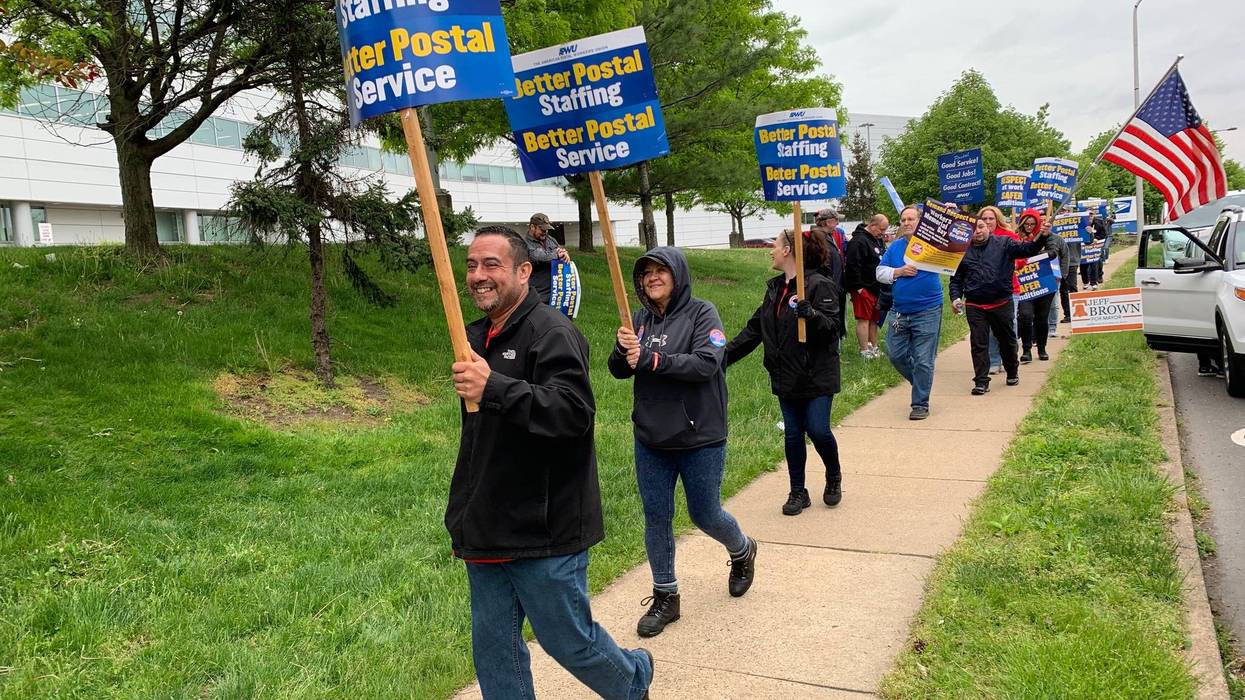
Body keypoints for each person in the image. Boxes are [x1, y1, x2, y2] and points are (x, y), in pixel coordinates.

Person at [447, 226, 653, 699]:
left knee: (568, 641)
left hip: (544, 525)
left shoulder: (553, 332)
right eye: (472, 265)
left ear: (524, 271)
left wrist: (493, 387)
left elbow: (573, 414)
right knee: (495, 650)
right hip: (486, 522)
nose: (478, 275)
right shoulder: (477, 338)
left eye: (491, 264)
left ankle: (633, 681)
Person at [609, 247, 758, 639]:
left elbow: (707, 363)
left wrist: (651, 359)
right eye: (646, 273)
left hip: (699, 435)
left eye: (661, 271)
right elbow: (619, 370)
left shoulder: (702, 313)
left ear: (677, 274)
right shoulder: (637, 319)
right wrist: (622, 348)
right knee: (656, 516)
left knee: (704, 514)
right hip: (651, 436)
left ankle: (742, 550)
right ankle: (665, 596)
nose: (652, 278)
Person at [726, 228, 843, 514]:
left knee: (817, 429)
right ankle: (797, 491)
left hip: (816, 374)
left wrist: (812, 316)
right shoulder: (775, 289)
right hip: (785, 374)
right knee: (793, 434)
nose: (771, 251)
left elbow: (832, 330)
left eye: (776, 246)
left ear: (789, 250)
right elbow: (755, 329)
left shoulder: (819, 285)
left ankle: (833, 475)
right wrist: (720, 358)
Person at [950, 217, 1051, 395]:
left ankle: (1012, 370)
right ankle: (981, 381)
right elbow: (956, 279)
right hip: (975, 303)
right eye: (973, 229)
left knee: (1007, 340)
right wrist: (955, 298)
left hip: (1001, 302)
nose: (978, 231)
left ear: (989, 227)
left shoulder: (1004, 243)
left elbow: (1028, 249)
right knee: (979, 343)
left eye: (981, 227)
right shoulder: (962, 250)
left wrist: (1042, 236)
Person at [876, 205, 945, 420]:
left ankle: (920, 404)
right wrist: (899, 271)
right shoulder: (895, 248)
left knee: (924, 359)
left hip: (928, 309)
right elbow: (880, 272)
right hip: (899, 311)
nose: (906, 223)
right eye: (903, 219)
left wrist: (950, 213)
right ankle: (921, 381)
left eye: (911, 219)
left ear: (921, 222)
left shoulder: (933, 244)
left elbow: (956, 245)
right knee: (895, 355)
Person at [1014, 209, 1066, 363]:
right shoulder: (1016, 238)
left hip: (1044, 280)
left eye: (1032, 224)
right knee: (1025, 316)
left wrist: (1034, 252)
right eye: (1026, 224)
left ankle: (1042, 348)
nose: (1029, 227)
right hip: (1024, 282)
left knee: (1042, 318)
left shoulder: (1047, 236)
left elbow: (1053, 253)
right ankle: (1027, 350)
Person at [978, 206, 1020, 375]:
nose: (988, 222)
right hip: (985, 292)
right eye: (985, 219)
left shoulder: (1009, 237)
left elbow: (1022, 257)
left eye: (991, 218)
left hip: (1009, 289)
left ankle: (1010, 357)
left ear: (997, 220)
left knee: (1009, 326)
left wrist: (1010, 265)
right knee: (989, 328)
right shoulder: (976, 238)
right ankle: (994, 360)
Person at [843, 214, 889, 359]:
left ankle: (874, 346)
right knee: (863, 319)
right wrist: (858, 287)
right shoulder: (858, 241)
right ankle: (864, 349)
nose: (883, 233)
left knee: (874, 319)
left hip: (877, 287)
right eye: (881, 229)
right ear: (873, 225)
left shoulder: (878, 239)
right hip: (863, 287)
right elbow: (852, 265)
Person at [812, 209, 849, 338]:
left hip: (835, 287)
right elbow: (822, 264)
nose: (838, 223)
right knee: (830, 324)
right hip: (828, 289)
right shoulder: (818, 238)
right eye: (836, 220)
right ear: (828, 222)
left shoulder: (828, 236)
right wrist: (831, 285)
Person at [524, 213, 571, 304]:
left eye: (547, 229)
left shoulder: (551, 240)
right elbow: (538, 256)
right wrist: (556, 255)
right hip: (538, 294)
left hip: (557, 291)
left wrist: (565, 254)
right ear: (532, 227)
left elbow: (560, 251)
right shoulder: (524, 244)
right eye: (542, 229)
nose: (545, 232)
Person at [1082, 210, 1108, 290]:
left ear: (1094, 215)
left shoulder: (1099, 222)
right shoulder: (1081, 223)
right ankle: (1085, 281)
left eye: (1091, 214)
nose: (1089, 216)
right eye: (1088, 215)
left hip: (1096, 245)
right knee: (1083, 265)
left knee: (1095, 262)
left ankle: (1094, 281)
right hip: (1084, 247)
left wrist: (1097, 239)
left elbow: (1104, 233)